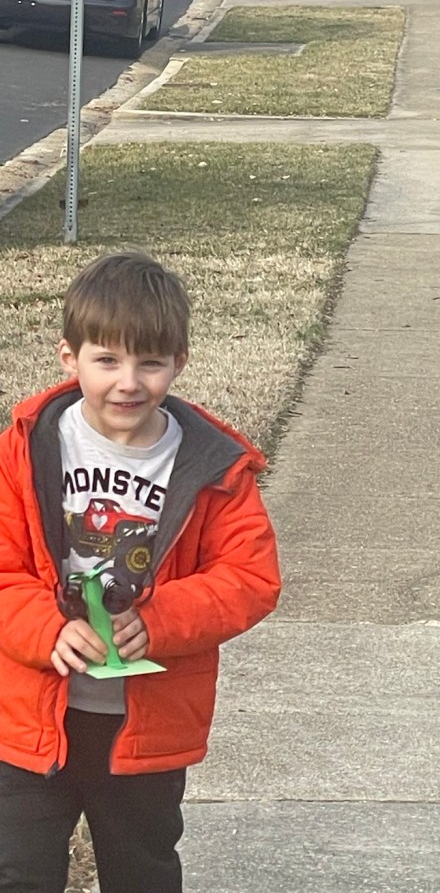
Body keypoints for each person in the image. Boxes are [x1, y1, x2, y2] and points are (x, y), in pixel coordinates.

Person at [0, 250, 281, 893]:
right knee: (17, 870)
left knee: (141, 869)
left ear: (179, 362)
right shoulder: (25, 450)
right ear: (69, 358)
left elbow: (250, 577)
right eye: (107, 360)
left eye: (150, 362)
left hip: (144, 725)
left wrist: (158, 620)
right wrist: (47, 629)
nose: (128, 382)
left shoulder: (213, 466)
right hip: (28, 715)